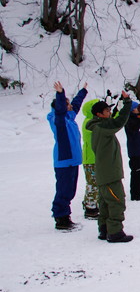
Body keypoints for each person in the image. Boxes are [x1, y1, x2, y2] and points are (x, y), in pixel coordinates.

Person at [86, 92, 134, 243]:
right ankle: (115, 232)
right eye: (107, 111)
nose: (109, 113)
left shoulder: (98, 126)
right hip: (109, 174)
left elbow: (114, 119)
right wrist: (127, 103)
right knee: (116, 201)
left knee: (106, 203)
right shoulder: (102, 127)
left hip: (105, 173)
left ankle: (104, 229)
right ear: (99, 114)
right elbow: (119, 121)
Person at [47, 81, 88, 230]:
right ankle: (60, 218)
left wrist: (83, 91)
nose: (70, 106)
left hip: (74, 160)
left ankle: (66, 215)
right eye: (67, 104)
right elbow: (60, 110)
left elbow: (76, 105)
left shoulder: (69, 118)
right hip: (64, 160)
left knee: (70, 190)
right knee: (64, 190)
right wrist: (60, 94)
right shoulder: (58, 121)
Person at [80, 97, 100, 219]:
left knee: (95, 182)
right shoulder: (89, 122)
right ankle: (90, 209)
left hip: (96, 157)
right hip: (90, 159)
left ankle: (90, 202)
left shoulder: (93, 121)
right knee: (93, 183)